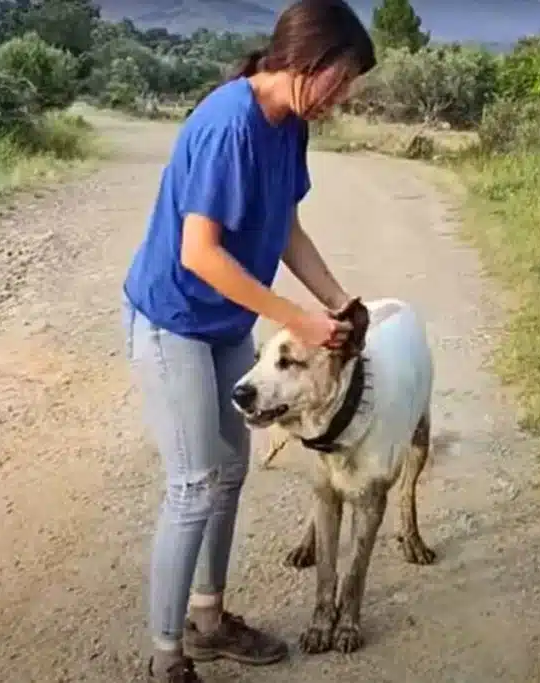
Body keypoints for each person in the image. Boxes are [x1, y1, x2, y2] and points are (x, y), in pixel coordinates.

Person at [120, 1, 377, 681]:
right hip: (173, 320)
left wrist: (335, 299)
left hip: (224, 323)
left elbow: (285, 226)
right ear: (307, 60)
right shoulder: (229, 124)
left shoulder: (288, 125)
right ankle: (166, 655)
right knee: (194, 482)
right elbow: (200, 254)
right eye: (341, 79)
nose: (343, 96)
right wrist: (295, 317)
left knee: (231, 472)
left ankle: (209, 620)